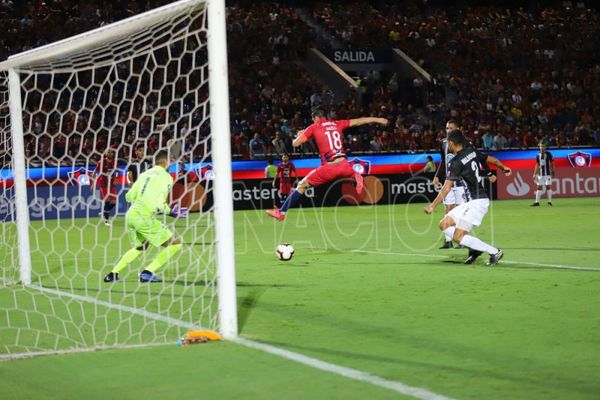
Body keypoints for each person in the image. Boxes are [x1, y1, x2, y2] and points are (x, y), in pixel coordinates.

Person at [266, 109, 388, 221]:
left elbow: (295, 144)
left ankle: (281, 212)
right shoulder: (337, 123)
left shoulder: (314, 127)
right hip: (345, 165)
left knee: (302, 185)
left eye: (313, 119)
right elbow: (359, 121)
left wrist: (298, 135)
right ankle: (354, 175)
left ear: (317, 117)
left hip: (330, 167)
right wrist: (378, 119)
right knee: (345, 171)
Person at [424, 130, 512, 266]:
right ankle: (475, 248)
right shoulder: (472, 152)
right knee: (443, 224)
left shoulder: (456, 162)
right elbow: (492, 159)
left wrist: (432, 206)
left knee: (458, 237)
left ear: (452, 143)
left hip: (477, 203)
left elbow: (447, 187)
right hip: (471, 202)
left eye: (449, 143)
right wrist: (503, 167)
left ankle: (494, 251)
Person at [103, 150, 188, 283]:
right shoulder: (166, 177)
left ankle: (112, 274)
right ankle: (147, 272)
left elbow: (128, 196)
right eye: (170, 161)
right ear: (165, 162)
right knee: (175, 244)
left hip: (131, 216)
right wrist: (172, 212)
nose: (172, 164)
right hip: (144, 218)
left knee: (141, 247)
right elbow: (160, 204)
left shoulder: (144, 174)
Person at [432, 120, 466, 249]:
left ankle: (461, 239)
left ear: (457, 129)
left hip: (461, 182)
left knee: (461, 211)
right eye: (447, 128)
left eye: (451, 128)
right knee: (448, 209)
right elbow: (443, 161)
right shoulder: (444, 144)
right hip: (448, 182)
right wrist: (437, 175)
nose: (448, 130)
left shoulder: (464, 143)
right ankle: (448, 240)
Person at [92, 149, 119, 226]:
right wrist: (93, 183)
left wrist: (116, 179)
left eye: (111, 152)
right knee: (107, 200)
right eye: (108, 152)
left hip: (112, 185)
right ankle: (106, 220)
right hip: (103, 184)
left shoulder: (115, 162)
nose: (110, 153)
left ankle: (103, 212)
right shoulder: (101, 162)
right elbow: (94, 172)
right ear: (105, 153)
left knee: (114, 202)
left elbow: (117, 172)